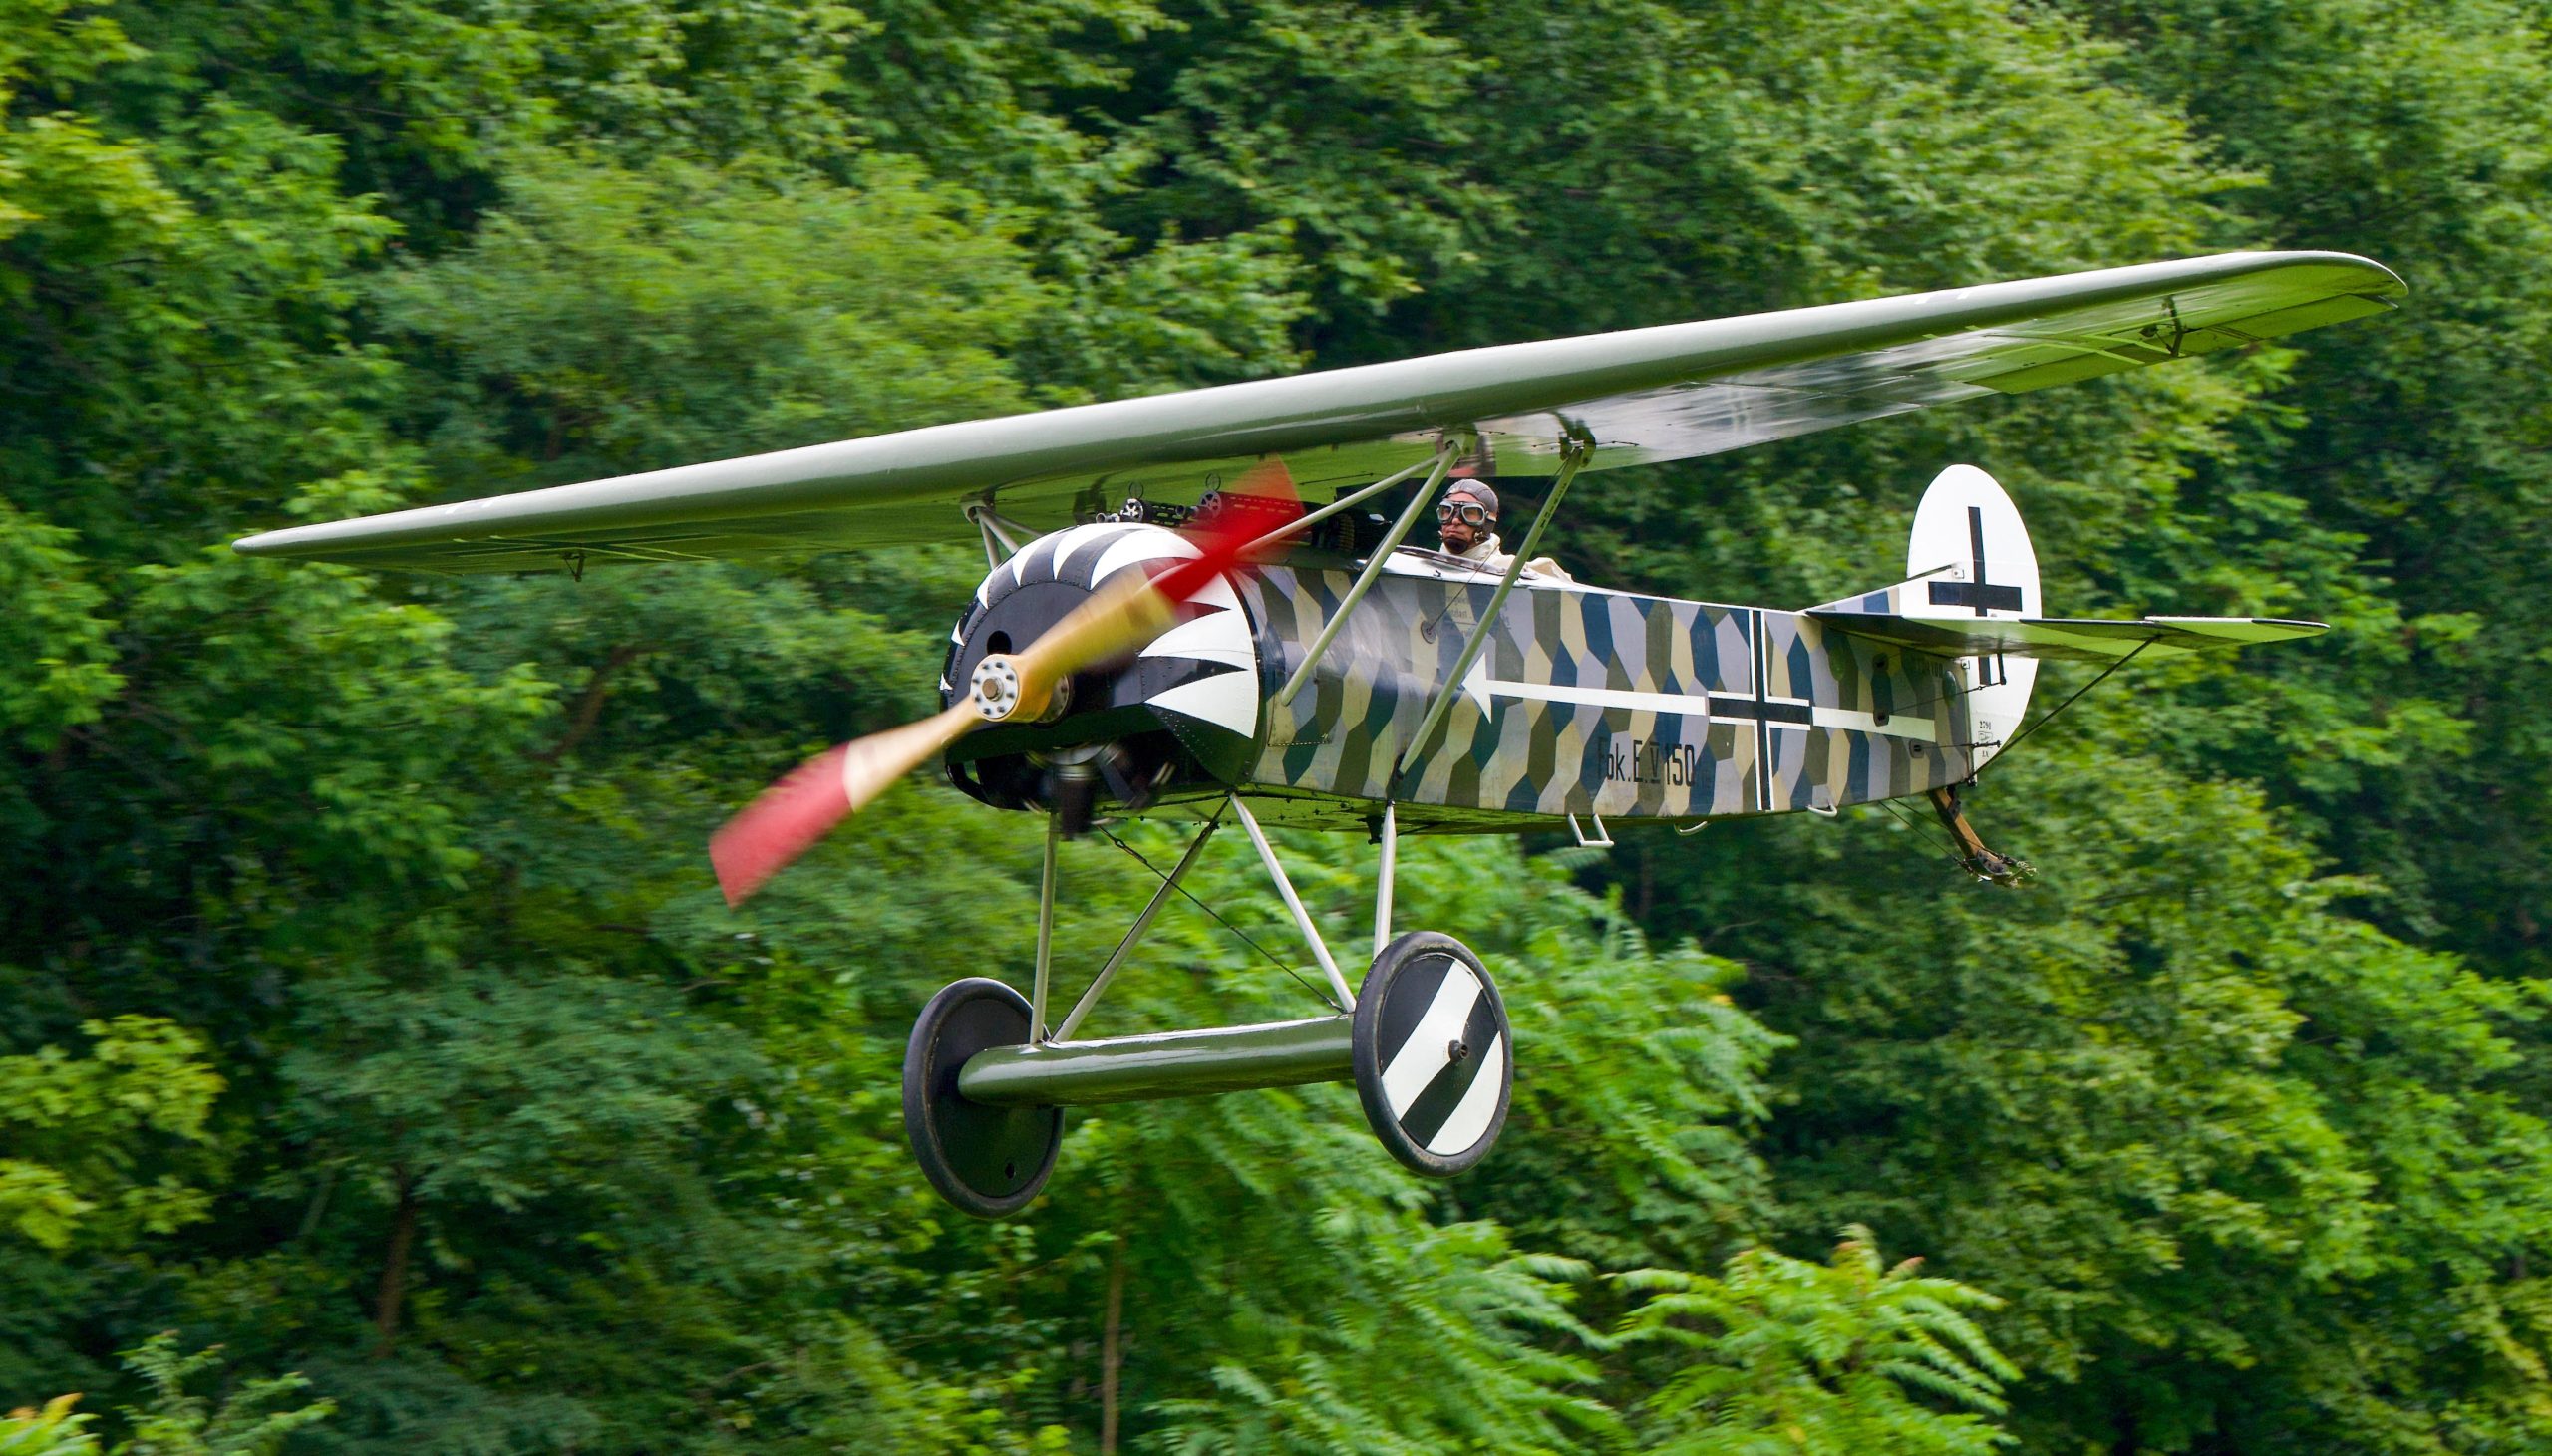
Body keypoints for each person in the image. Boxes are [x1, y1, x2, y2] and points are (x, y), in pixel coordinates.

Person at [1433, 482, 1574, 582]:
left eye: (1469, 513)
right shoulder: (1424, 567)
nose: (1455, 520)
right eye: (1447, 511)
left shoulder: (1511, 571)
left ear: (1487, 522)